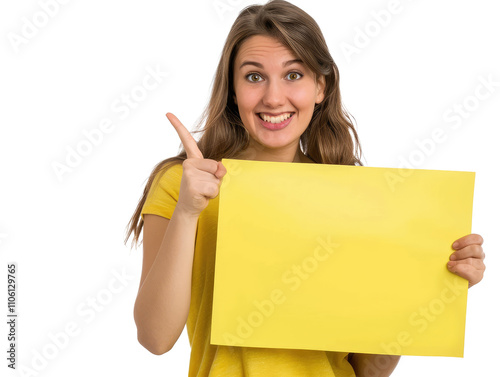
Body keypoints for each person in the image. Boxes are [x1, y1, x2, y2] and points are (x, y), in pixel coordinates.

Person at [124, 1, 486, 375]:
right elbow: (155, 337)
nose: (274, 98)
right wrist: (187, 212)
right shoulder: (182, 185)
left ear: (320, 87)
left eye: (293, 75)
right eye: (253, 76)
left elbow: (368, 369)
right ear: (232, 90)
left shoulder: (352, 194)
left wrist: (435, 285)